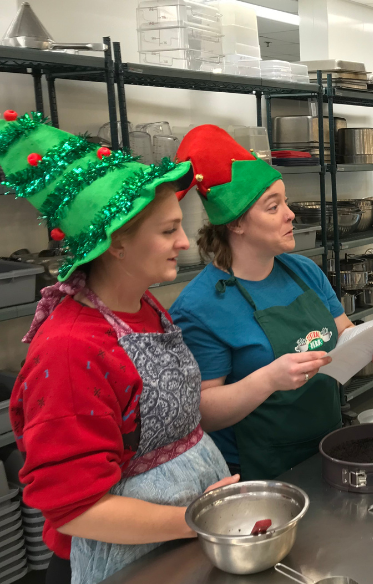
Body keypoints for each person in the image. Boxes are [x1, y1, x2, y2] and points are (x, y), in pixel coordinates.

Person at [0, 111, 235, 584]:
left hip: (180, 536)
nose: (186, 242)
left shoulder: (144, 306)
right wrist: (196, 520)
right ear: (116, 244)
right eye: (168, 230)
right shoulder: (72, 349)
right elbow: (74, 508)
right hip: (124, 559)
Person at [169, 125, 373, 481]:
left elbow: (342, 332)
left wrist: (371, 342)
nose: (291, 214)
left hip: (327, 449)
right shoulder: (200, 306)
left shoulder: (303, 271)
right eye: (273, 206)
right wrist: (268, 379)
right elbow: (204, 411)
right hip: (257, 473)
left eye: (286, 202)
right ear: (236, 223)